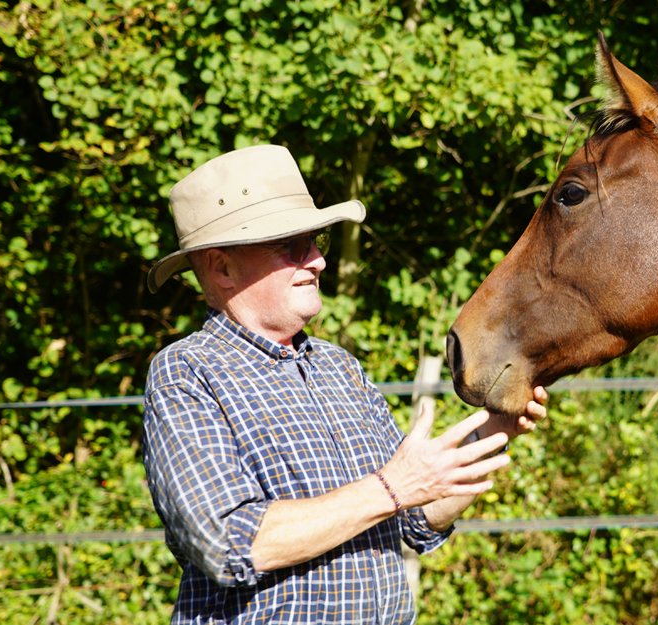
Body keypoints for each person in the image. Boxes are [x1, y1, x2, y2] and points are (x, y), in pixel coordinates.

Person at [142, 144, 547, 624]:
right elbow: (230, 542)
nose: (317, 260)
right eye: (291, 246)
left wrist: (496, 429)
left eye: (317, 243)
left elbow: (415, 518)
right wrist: (393, 487)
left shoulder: (338, 367)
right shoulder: (187, 372)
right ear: (221, 268)